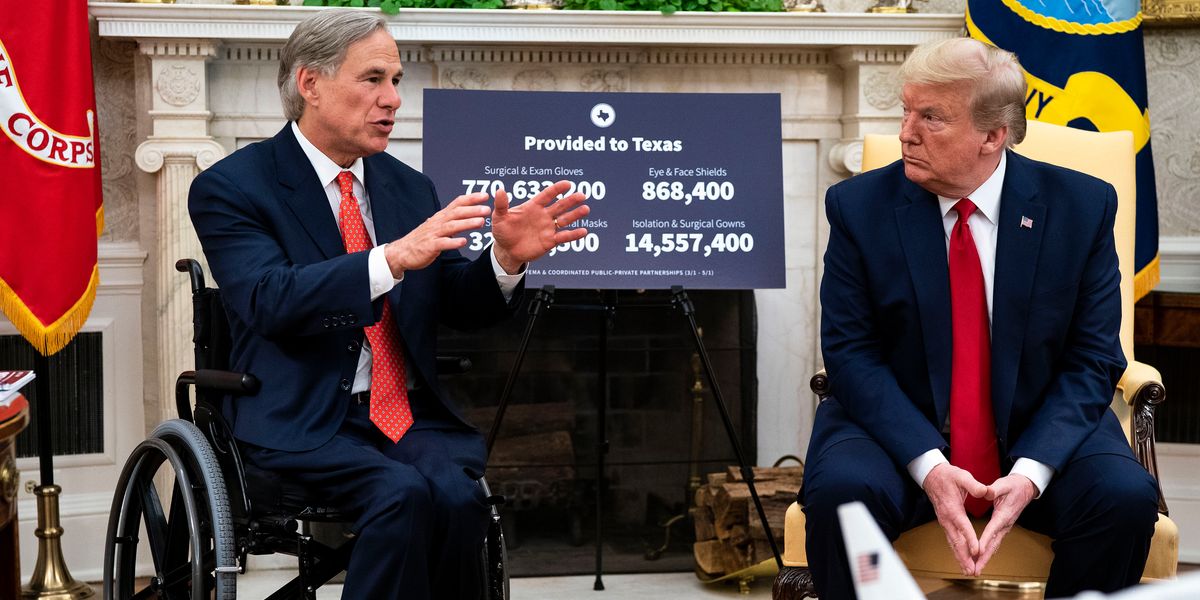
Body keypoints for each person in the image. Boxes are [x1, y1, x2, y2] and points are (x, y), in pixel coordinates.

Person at [187, 10, 589, 599]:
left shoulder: (407, 186)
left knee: (458, 497)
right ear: (310, 84)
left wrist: (504, 261)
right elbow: (268, 300)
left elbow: (455, 302)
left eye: (396, 80)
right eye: (373, 79)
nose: (393, 99)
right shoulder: (232, 186)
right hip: (300, 416)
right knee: (400, 495)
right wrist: (392, 259)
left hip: (403, 414)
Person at [801, 37, 1159, 599]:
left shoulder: (1081, 208)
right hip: (898, 429)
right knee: (842, 493)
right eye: (905, 110)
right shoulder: (858, 208)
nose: (904, 133)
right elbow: (851, 355)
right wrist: (930, 466)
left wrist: (1031, 472)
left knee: (1123, 498)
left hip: (1038, 424)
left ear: (994, 136)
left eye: (931, 118)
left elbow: (1093, 358)